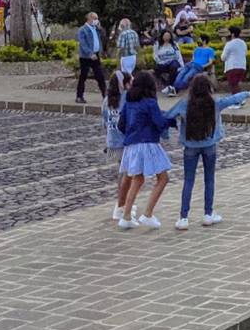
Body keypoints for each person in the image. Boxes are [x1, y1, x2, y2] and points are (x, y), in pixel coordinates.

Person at [165, 75, 250, 230]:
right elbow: (231, 100)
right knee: (209, 179)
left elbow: (167, 115)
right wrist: (246, 94)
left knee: (188, 181)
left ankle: (183, 218)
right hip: (209, 145)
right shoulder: (214, 103)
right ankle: (208, 214)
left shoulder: (184, 104)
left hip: (190, 146)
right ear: (208, 88)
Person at [116, 72, 177, 230]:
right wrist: (171, 121)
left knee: (138, 179)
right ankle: (148, 213)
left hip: (131, 144)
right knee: (162, 178)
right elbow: (159, 122)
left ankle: (126, 216)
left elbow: (121, 125)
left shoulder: (128, 102)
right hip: (148, 143)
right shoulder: (150, 103)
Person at [103, 72, 134, 223]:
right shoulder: (127, 98)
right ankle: (120, 206)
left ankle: (123, 202)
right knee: (127, 175)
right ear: (125, 84)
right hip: (124, 142)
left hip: (112, 141)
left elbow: (104, 121)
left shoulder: (106, 100)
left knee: (121, 173)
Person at [75, 12, 104, 103]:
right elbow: (83, 44)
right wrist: (90, 53)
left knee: (100, 75)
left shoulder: (96, 29)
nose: (96, 20)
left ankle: (105, 95)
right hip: (86, 57)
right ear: (90, 19)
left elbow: (102, 37)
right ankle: (79, 96)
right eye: (95, 19)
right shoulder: (82, 30)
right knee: (83, 76)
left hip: (96, 55)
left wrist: (100, 28)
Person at [221, 26, 248, 96]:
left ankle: (238, 101)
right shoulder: (243, 43)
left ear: (232, 34)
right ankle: (239, 100)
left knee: (233, 85)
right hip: (242, 67)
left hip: (232, 67)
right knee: (236, 84)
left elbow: (223, 57)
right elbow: (245, 53)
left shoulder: (229, 44)